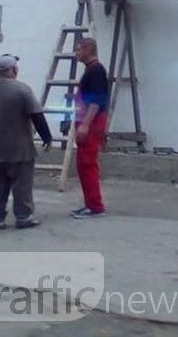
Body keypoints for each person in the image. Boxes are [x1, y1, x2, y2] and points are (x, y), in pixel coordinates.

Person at [0, 54, 52, 230]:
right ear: (14, 70)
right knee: (22, 185)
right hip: (19, 148)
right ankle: (23, 217)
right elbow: (37, 115)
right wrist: (46, 137)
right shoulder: (22, 90)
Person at [71, 38, 109, 219]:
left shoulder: (95, 71)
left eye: (78, 49)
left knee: (87, 164)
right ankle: (90, 204)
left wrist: (85, 124)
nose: (76, 53)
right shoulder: (92, 70)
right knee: (83, 164)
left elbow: (96, 101)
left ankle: (95, 207)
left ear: (88, 50)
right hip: (89, 121)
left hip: (92, 123)